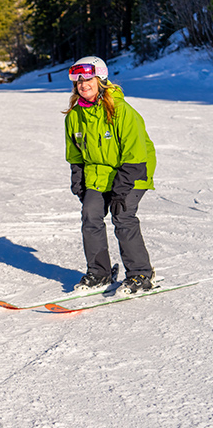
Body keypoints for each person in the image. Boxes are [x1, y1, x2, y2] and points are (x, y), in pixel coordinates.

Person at [63, 56, 156, 295]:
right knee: (90, 215)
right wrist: (79, 181)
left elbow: (136, 154)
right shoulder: (75, 116)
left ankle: (141, 274)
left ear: (101, 79)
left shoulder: (121, 110)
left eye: (88, 79)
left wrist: (120, 190)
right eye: (78, 81)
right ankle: (99, 273)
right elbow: (75, 154)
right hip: (98, 176)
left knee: (123, 216)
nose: (83, 85)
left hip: (132, 172)